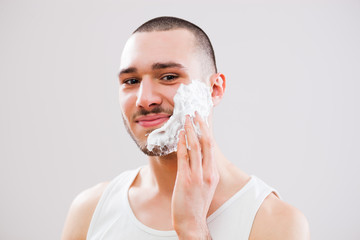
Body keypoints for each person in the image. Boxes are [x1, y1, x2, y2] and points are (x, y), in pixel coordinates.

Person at [61, 16, 310, 240]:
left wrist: (193, 230)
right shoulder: (90, 211)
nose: (144, 99)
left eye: (168, 77)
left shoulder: (274, 223)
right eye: (131, 81)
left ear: (215, 90)